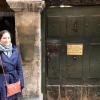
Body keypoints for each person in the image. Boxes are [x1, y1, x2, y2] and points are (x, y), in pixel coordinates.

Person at [0, 30, 24, 100]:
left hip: (14, 81)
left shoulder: (15, 51)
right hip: (2, 82)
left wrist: (21, 81)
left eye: (8, 38)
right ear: (0, 39)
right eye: (4, 38)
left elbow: (19, 68)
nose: (7, 40)